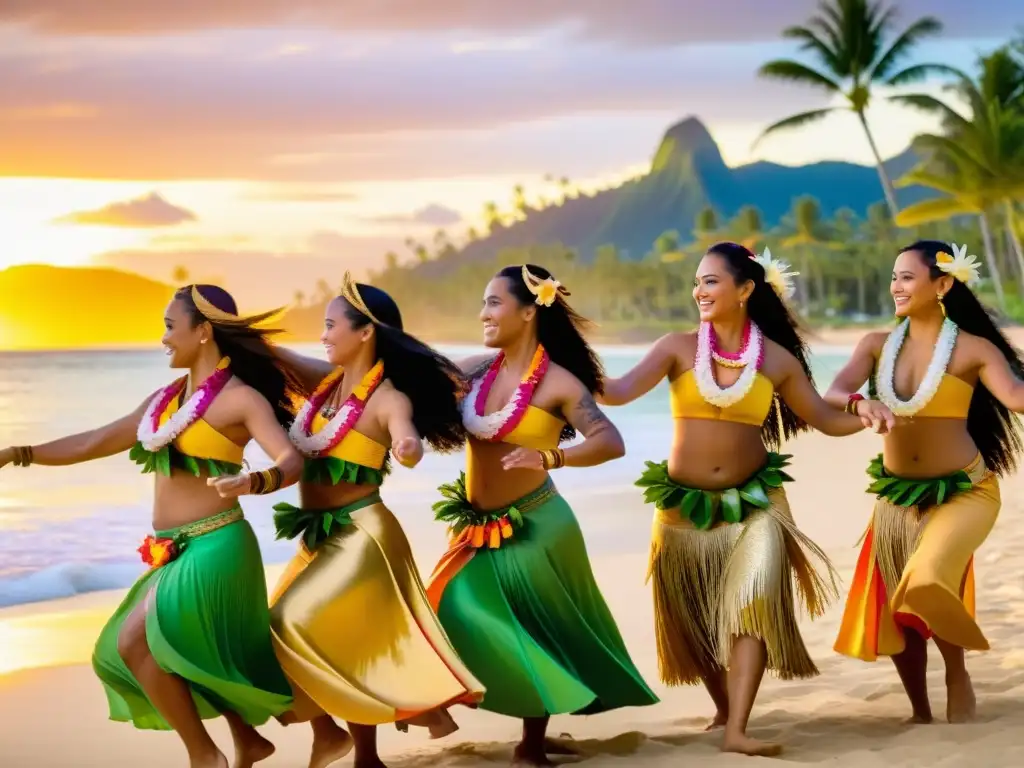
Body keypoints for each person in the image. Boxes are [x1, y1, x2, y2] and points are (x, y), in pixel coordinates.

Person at [0, 285, 307, 768]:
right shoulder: (165, 401)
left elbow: (291, 460)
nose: (163, 337)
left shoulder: (239, 400)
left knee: (137, 642)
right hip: (173, 549)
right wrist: (19, 454)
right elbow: (96, 441)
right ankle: (247, 740)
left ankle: (205, 756)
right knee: (157, 649)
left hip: (218, 543)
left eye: (170, 326)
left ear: (203, 332)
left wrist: (254, 480)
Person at [599, 242, 881, 756]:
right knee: (694, 618)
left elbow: (823, 418)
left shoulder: (775, 360)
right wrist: (557, 352)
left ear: (746, 289)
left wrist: (868, 415)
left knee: (751, 607)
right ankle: (724, 710)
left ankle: (737, 729)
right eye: (697, 282)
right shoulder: (676, 348)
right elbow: (614, 392)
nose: (699, 291)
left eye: (710, 281)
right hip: (682, 508)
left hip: (756, 505)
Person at [230, 273, 485, 768]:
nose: (323, 335)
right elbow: (276, 356)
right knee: (303, 635)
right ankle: (344, 745)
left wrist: (407, 447)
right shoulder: (322, 388)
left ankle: (352, 747)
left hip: (363, 533)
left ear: (365, 332)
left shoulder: (387, 397)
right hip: (317, 535)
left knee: (292, 621)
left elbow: (403, 433)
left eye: (330, 325)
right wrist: (227, 331)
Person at [424, 264, 659, 767]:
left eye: (493, 302)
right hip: (476, 525)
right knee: (446, 606)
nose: (483, 313)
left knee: (534, 629)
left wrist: (549, 457)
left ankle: (531, 747)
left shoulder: (557, 382)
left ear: (528, 311)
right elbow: (414, 383)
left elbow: (609, 441)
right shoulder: (474, 372)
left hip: (537, 524)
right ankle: (438, 709)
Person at [827, 240, 1024, 724]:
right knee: (898, 605)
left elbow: (1017, 397)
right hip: (897, 497)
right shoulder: (876, 345)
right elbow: (833, 390)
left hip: (964, 491)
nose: (896, 286)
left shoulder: (973, 349)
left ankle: (958, 673)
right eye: (893, 276)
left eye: (907, 277)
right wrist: (860, 403)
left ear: (942, 284)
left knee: (931, 576)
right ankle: (920, 710)